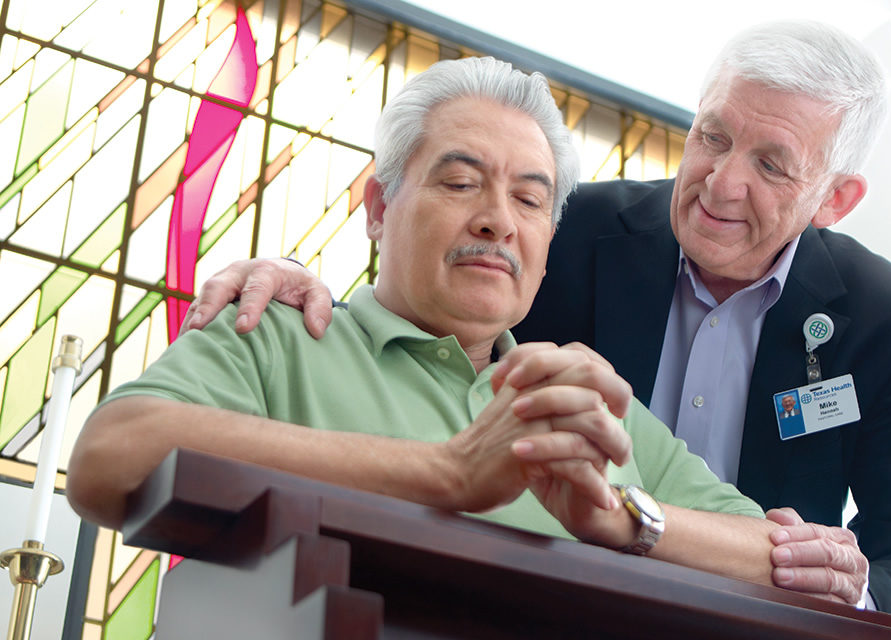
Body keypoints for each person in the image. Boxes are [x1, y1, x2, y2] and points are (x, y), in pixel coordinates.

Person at [183, 21, 891, 628]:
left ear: (834, 200)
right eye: (712, 136)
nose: (721, 183)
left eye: (772, 165)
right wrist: (296, 276)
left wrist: (841, 589)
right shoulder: (568, 231)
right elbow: (428, 289)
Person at [67, 57, 783, 586]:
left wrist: (621, 517)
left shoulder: (583, 407)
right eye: (461, 182)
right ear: (380, 209)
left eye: (529, 201)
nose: (498, 220)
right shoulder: (279, 333)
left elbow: (773, 556)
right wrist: (447, 473)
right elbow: (110, 457)